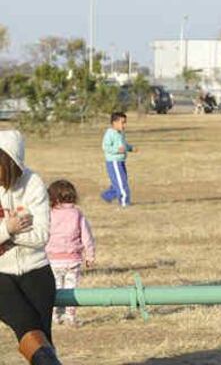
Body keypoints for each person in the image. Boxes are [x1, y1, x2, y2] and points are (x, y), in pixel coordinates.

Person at [0, 130, 62, 365]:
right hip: (1, 274)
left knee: (44, 341)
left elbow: (41, 236)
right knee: (26, 324)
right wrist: (10, 227)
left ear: (10, 164)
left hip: (37, 269)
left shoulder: (33, 183)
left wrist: (9, 235)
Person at [45, 180, 95, 327]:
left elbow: (42, 235)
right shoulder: (77, 214)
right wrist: (90, 255)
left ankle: (55, 315)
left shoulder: (49, 214)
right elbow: (87, 236)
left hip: (52, 259)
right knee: (71, 290)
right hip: (73, 259)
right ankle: (70, 316)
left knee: (55, 288)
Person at [100, 112, 137, 207]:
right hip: (114, 162)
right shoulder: (109, 133)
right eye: (122, 122)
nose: (124, 125)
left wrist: (130, 148)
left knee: (119, 181)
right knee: (121, 183)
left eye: (125, 123)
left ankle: (107, 196)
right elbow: (105, 147)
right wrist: (117, 150)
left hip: (121, 161)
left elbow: (123, 145)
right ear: (114, 123)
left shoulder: (120, 133)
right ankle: (125, 202)